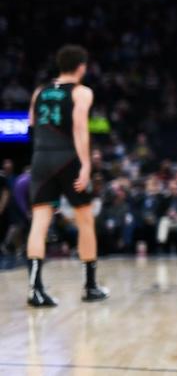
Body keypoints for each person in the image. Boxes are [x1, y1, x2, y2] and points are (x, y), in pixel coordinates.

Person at [25, 44, 108, 306]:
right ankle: (90, 286)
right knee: (85, 219)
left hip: (40, 157)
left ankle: (35, 290)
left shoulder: (40, 91)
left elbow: (31, 124)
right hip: (67, 158)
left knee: (39, 222)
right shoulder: (82, 92)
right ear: (81, 67)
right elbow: (80, 127)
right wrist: (85, 164)